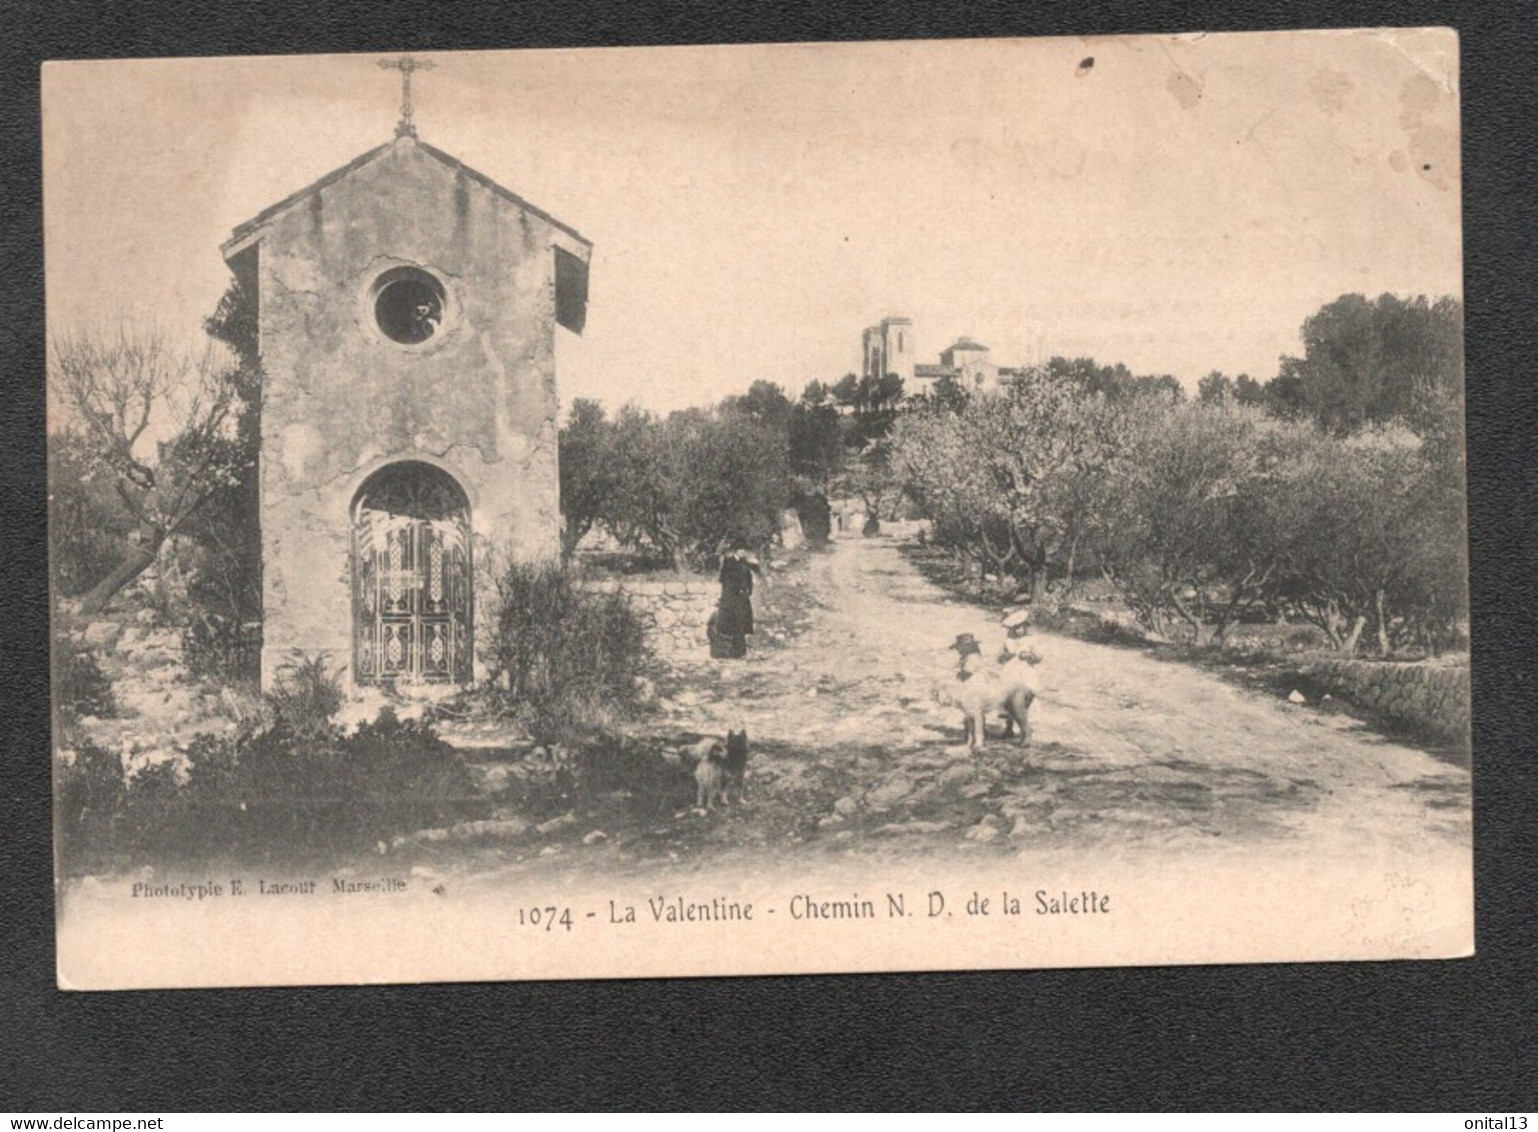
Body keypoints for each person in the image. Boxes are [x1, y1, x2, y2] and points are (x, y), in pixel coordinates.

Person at [715, 543, 766, 658]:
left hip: (743, 598)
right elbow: (724, 580)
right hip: (733, 599)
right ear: (736, 550)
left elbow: (748, 578)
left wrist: (748, 590)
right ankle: (736, 652)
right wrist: (734, 591)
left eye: (744, 550)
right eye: (740, 549)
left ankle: (741, 651)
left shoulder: (744, 563)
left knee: (742, 624)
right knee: (735, 625)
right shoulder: (729, 563)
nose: (742, 552)